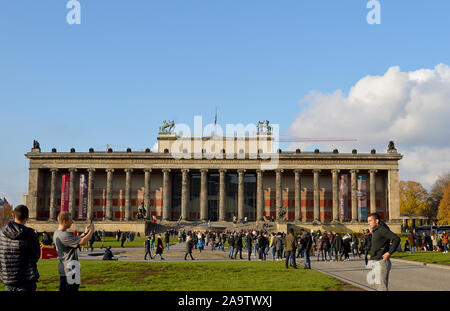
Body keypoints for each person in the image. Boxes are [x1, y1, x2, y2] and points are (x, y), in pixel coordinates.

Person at [0, 205, 40, 291]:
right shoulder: (30, 233)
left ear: (13, 216)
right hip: (26, 279)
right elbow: (36, 255)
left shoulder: (2, 232)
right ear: (27, 217)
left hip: (8, 279)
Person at [53, 212, 95, 292]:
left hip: (63, 267)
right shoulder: (64, 235)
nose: (72, 222)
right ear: (65, 221)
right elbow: (82, 242)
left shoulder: (57, 233)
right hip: (71, 268)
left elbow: (74, 240)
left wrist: (85, 233)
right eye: (70, 220)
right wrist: (91, 232)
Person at [367, 212, 400, 291]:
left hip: (381, 262)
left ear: (377, 221)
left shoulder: (382, 229)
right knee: (377, 287)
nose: (368, 223)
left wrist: (389, 253)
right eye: (368, 221)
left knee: (381, 288)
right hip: (375, 261)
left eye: (370, 220)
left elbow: (396, 239)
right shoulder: (375, 230)